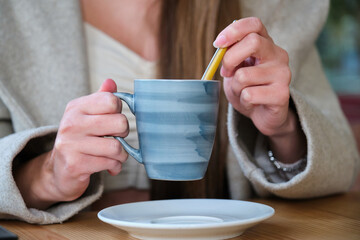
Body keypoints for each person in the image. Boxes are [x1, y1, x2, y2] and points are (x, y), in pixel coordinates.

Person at [0, 0, 359, 224]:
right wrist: (46, 174)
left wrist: (282, 128)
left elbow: (340, 164)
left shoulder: (276, 6)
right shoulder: (14, 14)